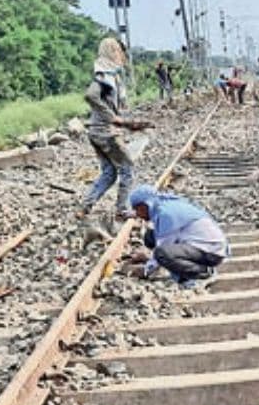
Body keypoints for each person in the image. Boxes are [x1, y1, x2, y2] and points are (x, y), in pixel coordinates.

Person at [79, 38, 145, 219]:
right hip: (105, 132)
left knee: (109, 173)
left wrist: (127, 124)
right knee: (128, 168)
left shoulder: (111, 75)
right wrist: (111, 117)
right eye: (118, 51)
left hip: (96, 131)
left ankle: (85, 206)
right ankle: (122, 209)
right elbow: (91, 95)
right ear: (111, 52)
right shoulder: (104, 75)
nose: (121, 56)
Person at [124, 185, 230, 289]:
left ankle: (203, 272)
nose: (138, 214)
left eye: (138, 210)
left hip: (211, 252)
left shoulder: (166, 214)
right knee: (150, 237)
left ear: (146, 205)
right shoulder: (162, 204)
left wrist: (146, 270)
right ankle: (183, 266)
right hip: (204, 245)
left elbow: (163, 246)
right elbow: (159, 238)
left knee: (162, 253)